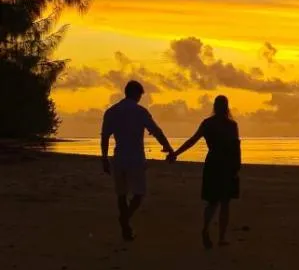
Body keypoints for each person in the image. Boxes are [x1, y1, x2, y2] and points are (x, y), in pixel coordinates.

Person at [101, 80, 174, 240]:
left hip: (119, 156)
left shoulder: (112, 111)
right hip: (135, 158)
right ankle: (125, 219)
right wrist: (168, 147)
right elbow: (155, 130)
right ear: (136, 94)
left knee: (121, 194)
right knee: (139, 194)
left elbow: (105, 136)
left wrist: (104, 158)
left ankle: (125, 225)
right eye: (140, 95)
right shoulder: (140, 112)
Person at [169, 95, 241, 249]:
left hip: (213, 162)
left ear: (215, 107)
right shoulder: (231, 125)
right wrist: (237, 166)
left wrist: (176, 153)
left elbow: (192, 140)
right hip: (226, 164)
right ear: (227, 107)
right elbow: (236, 147)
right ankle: (221, 237)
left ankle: (207, 228)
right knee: (224, 202)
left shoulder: (208, 124)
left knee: (213, 201)